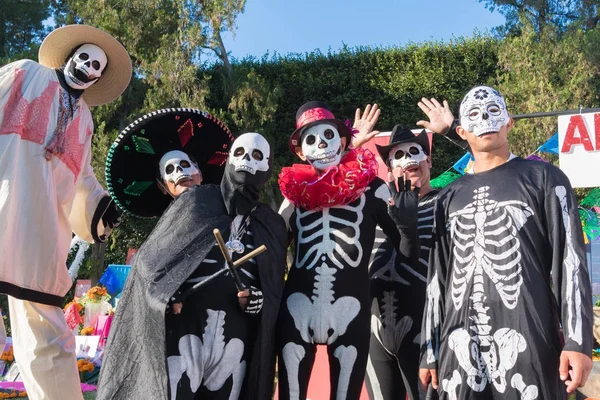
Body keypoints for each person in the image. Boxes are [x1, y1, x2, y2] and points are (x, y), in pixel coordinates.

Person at [419, 85, 593, 399]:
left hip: (529, 332)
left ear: (509, 122)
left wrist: (578, 341)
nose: (484, 119)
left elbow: (571, 261)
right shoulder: (447, 197)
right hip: (458, 339)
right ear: (462, 131)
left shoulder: (544, 178)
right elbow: (437, 276)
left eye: (493, 111)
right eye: (474, 115)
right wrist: (429, 349)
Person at [98, 110, 286, 400]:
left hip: (235, 340)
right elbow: (151, 263)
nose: (248, 161)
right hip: (186, 328)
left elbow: (271, 287)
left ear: (269, 167)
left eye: (258, 156)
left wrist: (258, 301)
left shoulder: (270, 223)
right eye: (241, 152)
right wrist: (164, 293)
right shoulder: (198, 202)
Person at [0, 24, 131, 400]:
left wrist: (100, 209)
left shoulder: (84, 120)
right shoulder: (25, 73)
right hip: (3, 198)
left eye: (96, 67)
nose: (87, 67)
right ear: (70, 56)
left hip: (36, 231)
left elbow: (80, 179)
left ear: (97, 79)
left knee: (47, 334)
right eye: (85, 58)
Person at [276, 102, 420, 400]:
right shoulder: (294, 197)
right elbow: (271, 254)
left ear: (342, 142)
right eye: (311, 139)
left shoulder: (373, 188)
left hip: (350, 310)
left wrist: (407, 226)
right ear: (301, 152)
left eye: (328, 135)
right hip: (297, 307)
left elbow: (407, 254)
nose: (322, 144)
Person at [365, 99, 459, 400]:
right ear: (390, 171)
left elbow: (490, 173)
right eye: (398, 157)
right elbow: (328, 181)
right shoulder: (376, 207)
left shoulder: (449, 200)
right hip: (373, 331)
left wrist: (453, 132)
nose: (408, 160)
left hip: (428, 330)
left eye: (415, 152)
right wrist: (350, 144)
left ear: (429, 161)